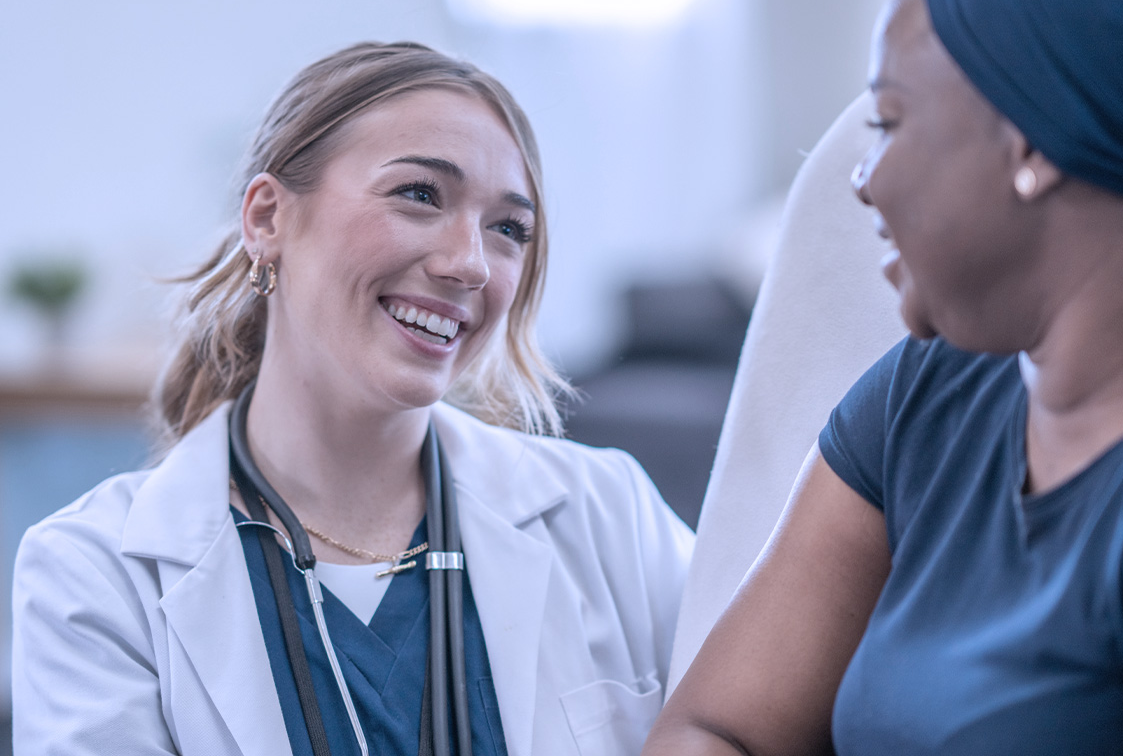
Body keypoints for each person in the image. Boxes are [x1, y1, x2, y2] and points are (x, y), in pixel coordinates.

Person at [12, 42, 693, 756]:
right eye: (420, 195)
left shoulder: (610, 516)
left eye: (508, 229)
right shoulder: (94, 577)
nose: (468, 262)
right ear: (267, 218)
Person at [643, 0, 1123, 754]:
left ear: (1034, 141)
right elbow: (718, 728)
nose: (863, 181)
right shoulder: (932, 387)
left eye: (888, 123)